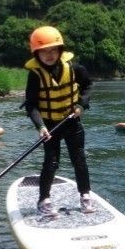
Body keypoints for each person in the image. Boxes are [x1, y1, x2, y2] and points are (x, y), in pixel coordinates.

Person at [24, 25, 95, 217]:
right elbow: (30, 105)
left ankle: (85, 196)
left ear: (60, 50)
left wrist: (81, 105)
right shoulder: (35, 75)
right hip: (49, 126)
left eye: (53, 50)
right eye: (44, 51)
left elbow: (88, 86)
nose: (49, 54)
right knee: (51, 162)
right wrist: (40, 126)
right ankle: (43, 200)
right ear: (36, 53)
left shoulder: (74, 68)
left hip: (71, 122)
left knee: (79, 159)